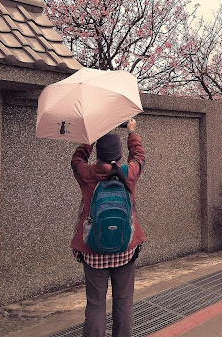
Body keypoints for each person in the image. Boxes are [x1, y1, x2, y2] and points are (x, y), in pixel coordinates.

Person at [70, 118, 145, 337]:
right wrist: (132, 133)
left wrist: (90, 137)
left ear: (98, 154)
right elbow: (139, 156)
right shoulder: (128, 173)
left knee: (95, 304)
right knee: (123, 301)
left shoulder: (86, 173)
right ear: (119, 154)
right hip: (125, 247)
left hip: (93, 250)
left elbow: (76, 159)